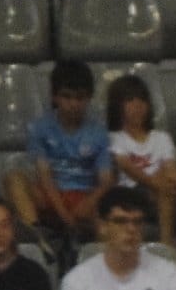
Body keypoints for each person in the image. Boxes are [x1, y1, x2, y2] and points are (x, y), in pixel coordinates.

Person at [107, 73, 176, 284]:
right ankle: (167, 248)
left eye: (141, 100)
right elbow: (129, 169)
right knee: (161, 185)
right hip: (131, 195)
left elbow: (171, 168)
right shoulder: (114, 138)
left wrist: (175, 183)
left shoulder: (161, 138)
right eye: (129, 100)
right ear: (117, 106)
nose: (137, 106)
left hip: (166, 193)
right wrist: (163, 184)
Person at [7, 59, 113, 254]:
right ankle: (39, 238)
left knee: (107, 223)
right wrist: (64, 215)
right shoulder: (40, 128)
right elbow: (45, 177)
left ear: (89, 98)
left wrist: (88, 202)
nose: (73, 104)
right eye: (67, 97)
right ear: (55, 97)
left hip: (83, 198)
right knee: (14, 179)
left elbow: (105, 181)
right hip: (50, 195)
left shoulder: (99, 133)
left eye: (80, 98)